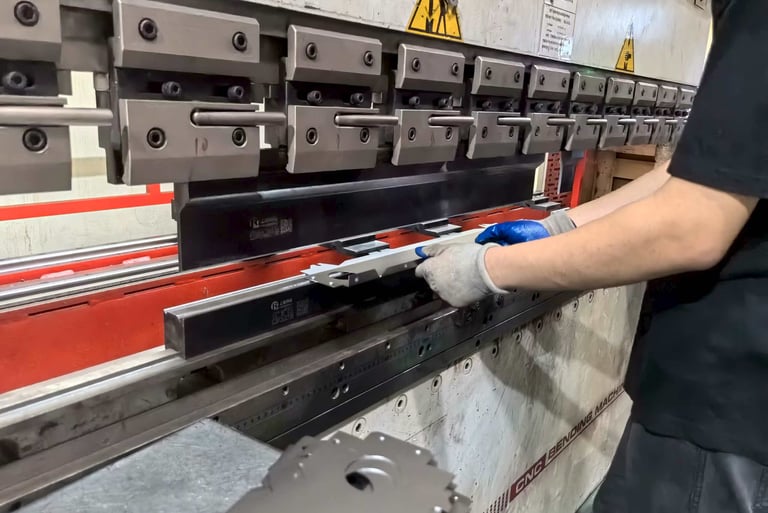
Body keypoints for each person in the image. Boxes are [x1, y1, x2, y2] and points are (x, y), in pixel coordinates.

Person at [415, 1, 768, 511]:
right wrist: (559, 225)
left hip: (729, 412)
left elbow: (694, 224)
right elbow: (694, 175)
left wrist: (488, 270)